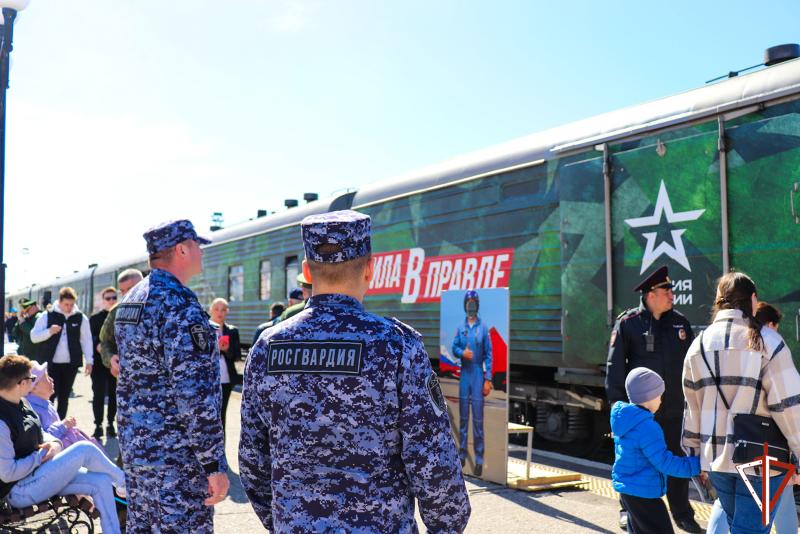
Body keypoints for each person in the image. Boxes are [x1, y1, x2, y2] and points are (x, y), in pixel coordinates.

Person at [239, 210, 470, 533]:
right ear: (370, 268)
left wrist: (284, 522)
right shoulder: (397, 346)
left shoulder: (268, 347)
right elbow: (432, 458)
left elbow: (253, 461)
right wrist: (447, 526)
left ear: (306, 270)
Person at [115, 220, 228, 533]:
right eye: (196, 246)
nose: (201, 253)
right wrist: (212, 463)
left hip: (138, 452)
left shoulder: (130, 301)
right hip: (176, 459)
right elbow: (194, 393)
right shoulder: (179, 305)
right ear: (181, 249)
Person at [683, 272, 800, 534]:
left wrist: (694, 455)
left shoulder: (697, 346)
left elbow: (692, 409)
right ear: (753, 300)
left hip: (716, 459)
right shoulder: (768, 342)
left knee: (739, 527)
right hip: (762, 462)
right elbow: (789, 408)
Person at [605, 265, 699, 533]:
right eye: (666, 289)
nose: (672, 294)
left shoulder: (680, 323)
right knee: (633, 461)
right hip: (641, 413)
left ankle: (682, 513)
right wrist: (618, 409)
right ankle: (628, 510)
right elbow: (615, 369)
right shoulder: (629, 323)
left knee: (675, 456)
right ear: (650, 294)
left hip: (673, 410)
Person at [0, 355, 125, 534]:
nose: (34, 382)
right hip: (18, 491)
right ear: (22, 382)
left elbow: (42, 434)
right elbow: (7, 473)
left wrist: (54, 443)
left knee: (102, 480)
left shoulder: (22, 402)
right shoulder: (2, 422)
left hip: (38, 477)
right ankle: (124, 482)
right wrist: (41, 457)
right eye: (32, 379)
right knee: (84, 449)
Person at [612, 367, 701, 534]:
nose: (661, 400)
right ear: (649, 397)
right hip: (644, 494)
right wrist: (696, 465)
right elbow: (665, 462)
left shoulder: (625, 421)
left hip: (629, 492)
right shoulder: (648, 427)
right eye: (659, 396)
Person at [29, 287, 93, 420]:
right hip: (50, 364)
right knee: (49, 396)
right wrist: (49, 332)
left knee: (64, 397)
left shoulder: (81, 317)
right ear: (59, 301)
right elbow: (34, 337)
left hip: (70, 364)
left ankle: (61, 424)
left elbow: (86, 340)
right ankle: (47, 423)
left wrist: (89, 360)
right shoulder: (47, 315)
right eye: (66, 304)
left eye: (71, 304)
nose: (69, 308)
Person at [451, 289, 492, 477]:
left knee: (477, 420)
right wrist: (462, 353)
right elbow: (454, 346)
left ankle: (479, 459)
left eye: (474, 302)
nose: (471, 305)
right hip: (465, 375)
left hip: (477, 374)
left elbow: (489, 355)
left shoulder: (483, 328)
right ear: (465, 305)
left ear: (478, 304)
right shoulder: (460, 327)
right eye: (469, 302)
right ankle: (461, 455)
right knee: (464, 419)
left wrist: (488, 378)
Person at [25, 361, 107, 454]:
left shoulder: (44, 403)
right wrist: (64, 425)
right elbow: (41, 439)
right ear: (34, 387)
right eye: (47, 377)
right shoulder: (31, 410)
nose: (51, 379)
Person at [99, 269, 144, 379]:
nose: (126, 294)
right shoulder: (117, 312)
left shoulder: (160, 308)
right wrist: (111, 358)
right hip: (127, 381)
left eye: (130, 289)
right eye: (122, 290)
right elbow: (105, 342)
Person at [208, 297, 241, 435]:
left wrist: (227, 350)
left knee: (222, 416)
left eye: (223, 310)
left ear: (227, 312)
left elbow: (237, 356)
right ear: (210, 310)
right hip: (208, 379)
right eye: (216, 309)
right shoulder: (204, 329)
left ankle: (222, 449)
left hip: (226, 379)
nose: (219, 313)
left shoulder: (232, 331)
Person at [89, 287, 118, 440]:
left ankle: (110, 424)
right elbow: (90, 337)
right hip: (99, 364)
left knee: (114, 394)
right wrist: (97, 345)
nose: (111, 301)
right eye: (108, 298)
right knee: (98, 394)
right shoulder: (95, 318)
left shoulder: (120, 315)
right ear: (103, 300)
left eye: (114, 298)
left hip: (115, 362)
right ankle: (98, 425)